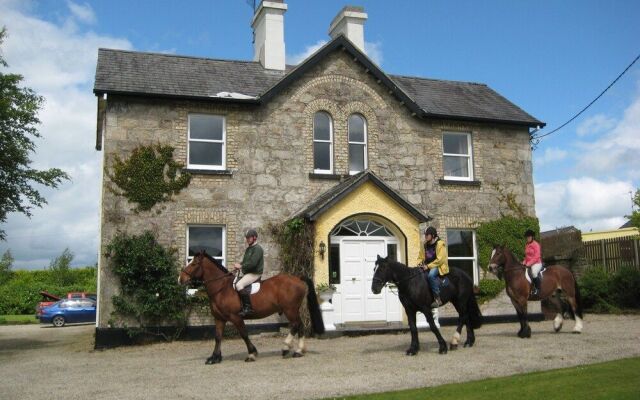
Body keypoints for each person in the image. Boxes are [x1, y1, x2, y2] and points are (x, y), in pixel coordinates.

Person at [232, 229, 264, 317]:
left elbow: (253, 263)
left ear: (254, 238)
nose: (247, 239)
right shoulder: (249, 249)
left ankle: (248, 308)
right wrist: (239, 265)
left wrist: (241, 266)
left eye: (249, 238)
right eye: (246, 238)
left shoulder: (258, 249)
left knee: (239, 285)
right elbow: (246, 261)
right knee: (234, 282)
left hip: (255, 273)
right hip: (248, 273)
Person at [420, 226, 449, 308]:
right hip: (427, 265)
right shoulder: (425, 245)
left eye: (427, 235)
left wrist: (428, 266)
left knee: (431, 276)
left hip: (438, 265)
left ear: (432, 235)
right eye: (425, 235)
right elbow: (420, 256)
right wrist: (419, 263)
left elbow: (440, 259)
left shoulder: (440, 244)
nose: (425, 236)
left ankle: (437, 298)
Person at [523, 229, 542, 296]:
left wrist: (528, 263)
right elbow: (526, 256)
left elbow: (537, 256)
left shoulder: (536, 244)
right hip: (529, 264)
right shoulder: (527, 245)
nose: (527, 238)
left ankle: (538, 289)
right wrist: (524, 262)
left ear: (532, 237)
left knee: (534, 273)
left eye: (529, 237)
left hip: (537, 263)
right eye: (527, 237)